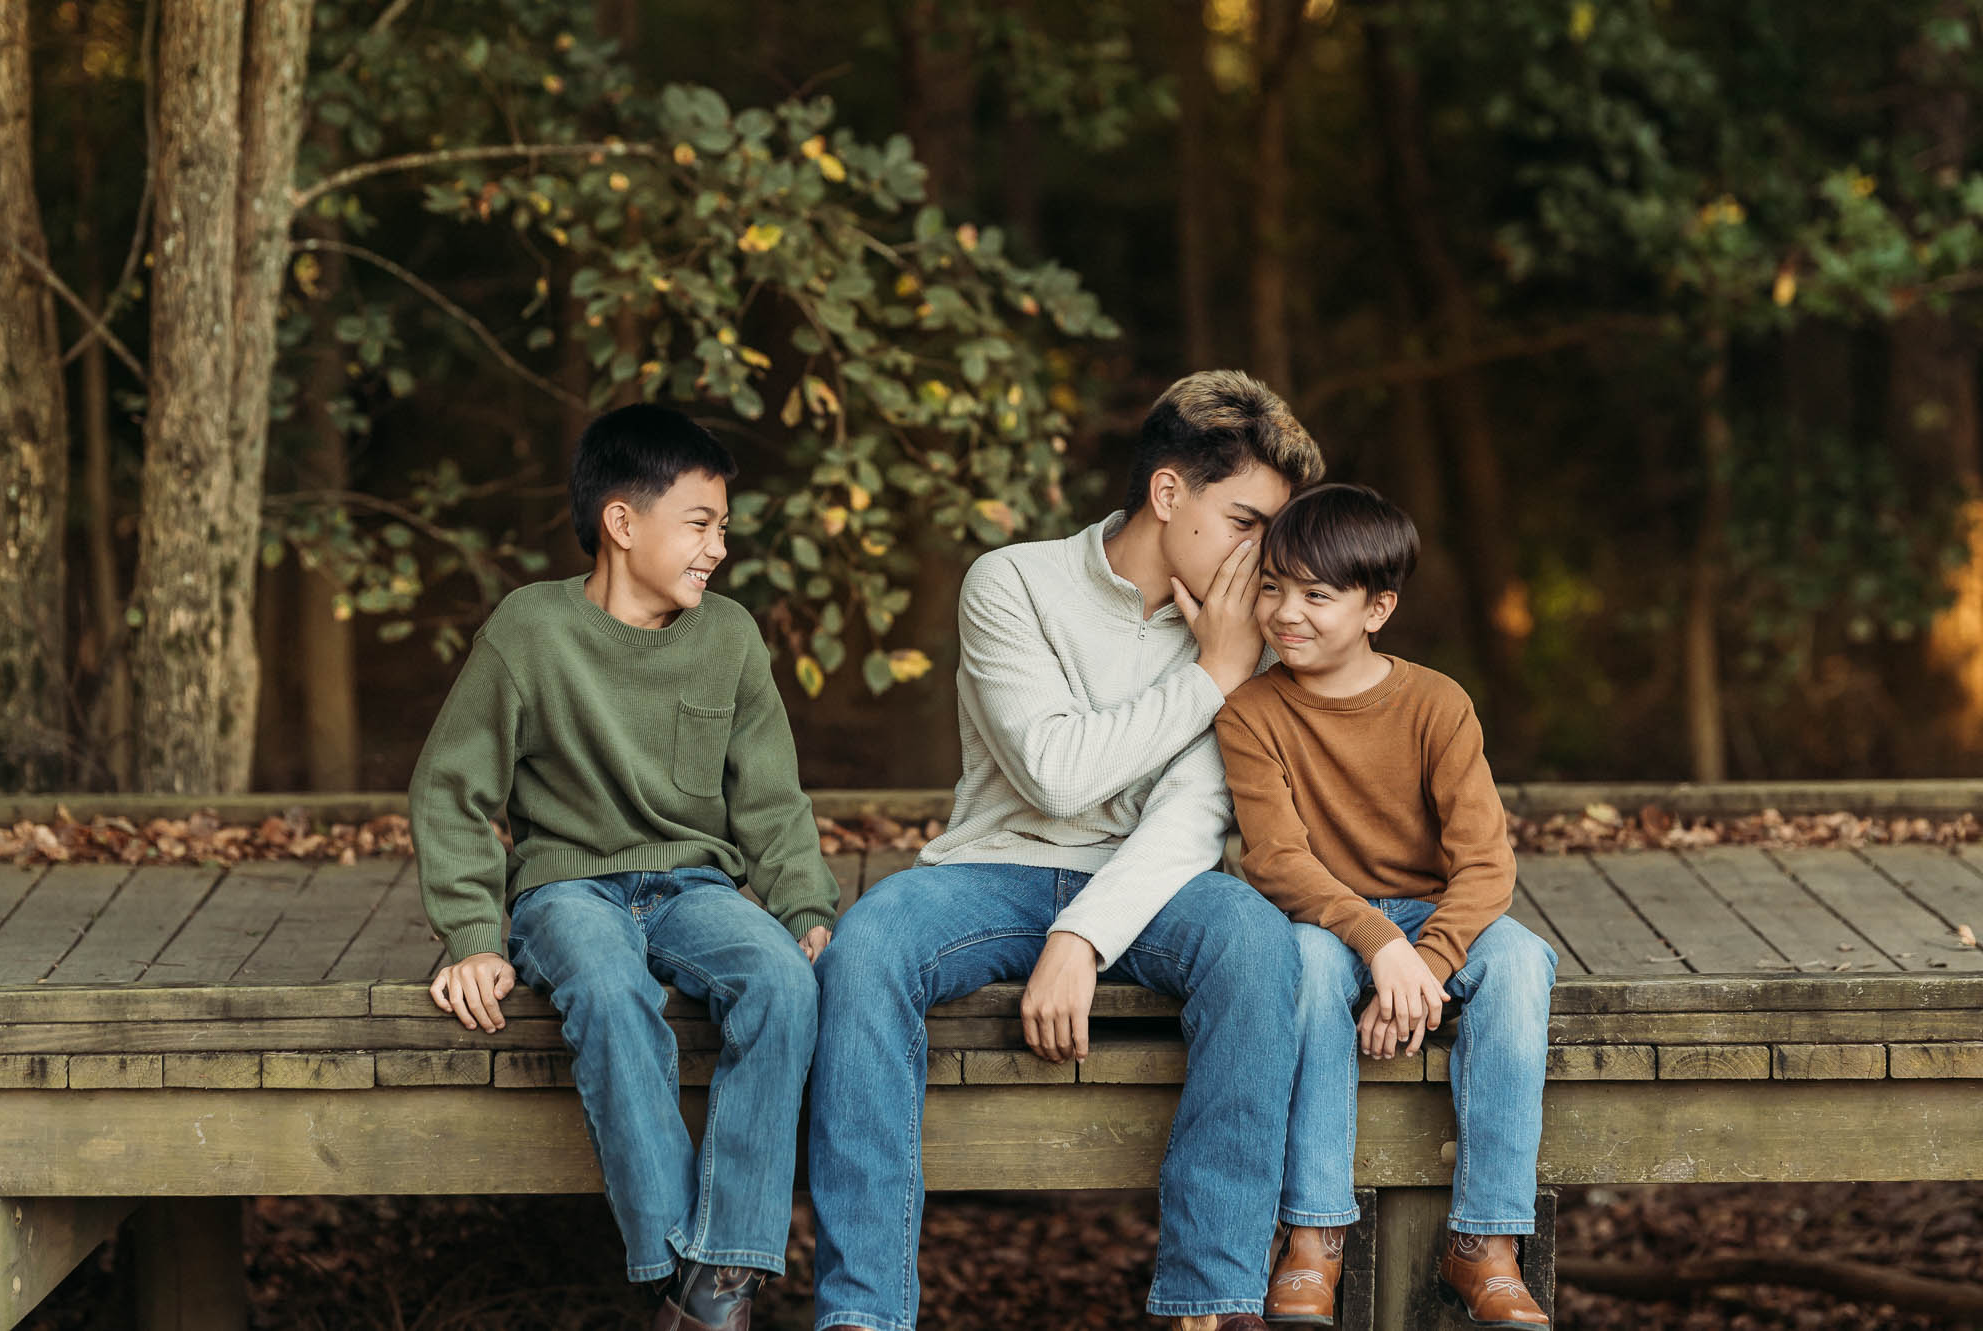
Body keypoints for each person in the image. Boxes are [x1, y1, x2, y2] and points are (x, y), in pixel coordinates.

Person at [809, 370, 1324, 1331]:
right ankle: (863, 1314)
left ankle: (1209, 1304)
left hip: (1154, 882)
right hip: (989, 867)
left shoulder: (1256, 625)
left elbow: (1191, 816)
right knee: (866, 947)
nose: (1265, 556)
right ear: (1169, 493)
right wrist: (1211, 674)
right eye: (1247, 521)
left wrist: (1082, 936)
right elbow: (1052, 770)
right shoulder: (1013, 582)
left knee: (1257, 941)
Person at [408, 404, 837, 1331]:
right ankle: (673, 1273)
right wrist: (474, 936)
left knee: (780, 983)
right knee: (605, 988)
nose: (718, 546)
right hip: (566, 885)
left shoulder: (728, 637)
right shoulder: (529, 631)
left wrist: (803, 905)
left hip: (695, 885)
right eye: (700, 522)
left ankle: (718, 1281)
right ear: (621, 521)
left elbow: (769, 797)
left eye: (723, 526)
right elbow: (450, 790)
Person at [1214, 482, 1556, 1328]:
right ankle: (1314, 1234)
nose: (1286, 612)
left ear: (1378, 608)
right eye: (1273, 586)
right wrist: (1377, 943)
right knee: (1300, 964)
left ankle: (1487, 1241)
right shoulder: (1251, 711)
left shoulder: (1437, 704)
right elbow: (1278, 860)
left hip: (1433, 915)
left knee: (1519, 961)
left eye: (1316, 596)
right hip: (1325, 918)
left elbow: (1486, 861)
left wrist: (1428, 958)